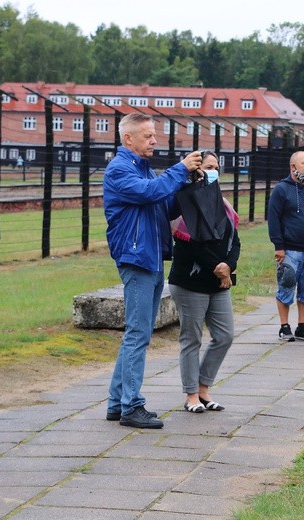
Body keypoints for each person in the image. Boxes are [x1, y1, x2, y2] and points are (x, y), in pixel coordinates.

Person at [103, 113, 203, 429]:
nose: (154, 141)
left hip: (150, 257)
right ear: (128, 139)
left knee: (139, 332)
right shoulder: (120, 170)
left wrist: (187, 184)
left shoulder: (142, 170)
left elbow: (163, 204)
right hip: (137, 258)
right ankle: (131, 405)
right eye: (148, 136)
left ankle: (117, 403)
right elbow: (149, 193)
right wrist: (180, 169)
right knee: (137, 333)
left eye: (154, 135)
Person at [168, 151, 240, 413]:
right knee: (192, 338)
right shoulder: (184, 202)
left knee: (225, 335)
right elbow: (189, 245)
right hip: (191, 283)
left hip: (219, 283)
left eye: (216, 167)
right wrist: (216, 268)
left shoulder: (223, 204)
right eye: (208, 167)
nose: (213, 171)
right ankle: (191, 395)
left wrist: (229, 266)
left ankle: (204, 388)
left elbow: (235, 239)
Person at [267, 150, 304, 342]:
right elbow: (274, 219)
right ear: (293, 167)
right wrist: (278, 246)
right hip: (290, 250)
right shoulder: (281, 190)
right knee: (286, 287)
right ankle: (284, 327)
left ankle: (302, 326)